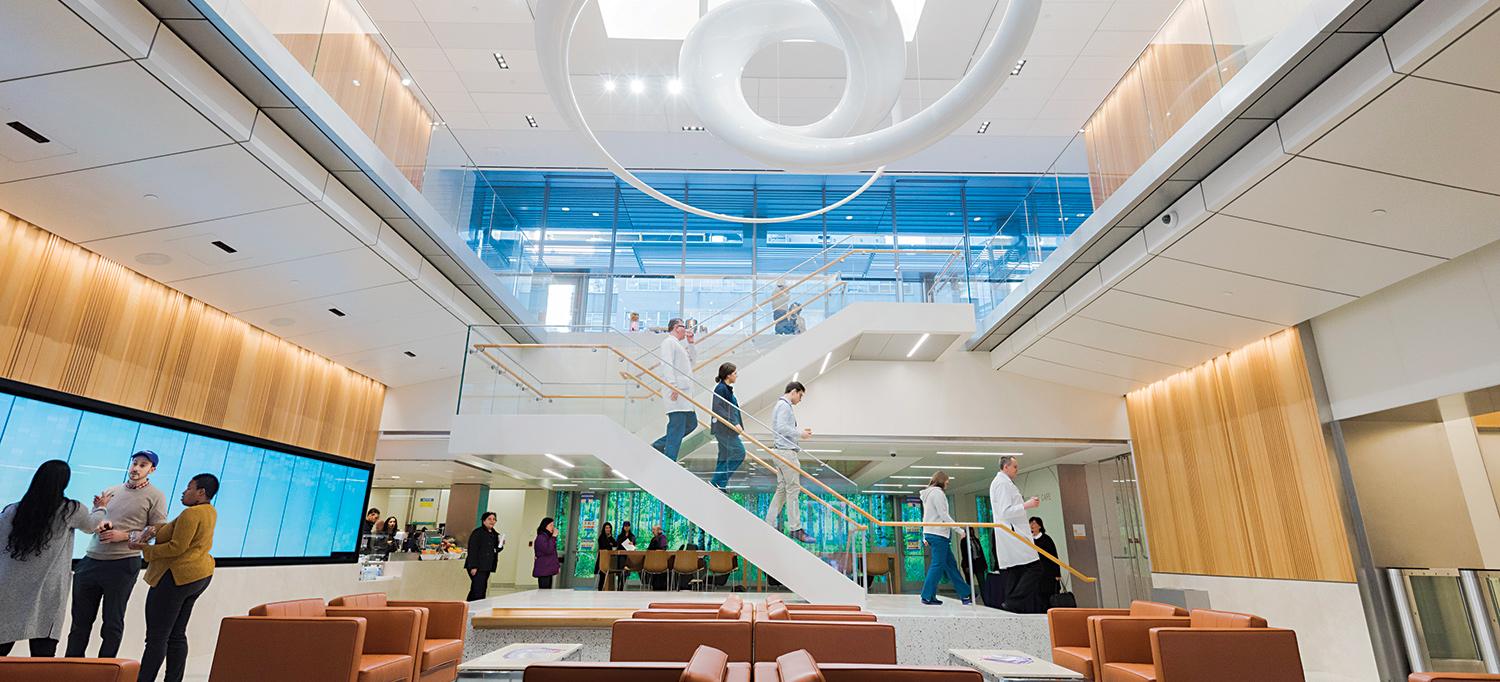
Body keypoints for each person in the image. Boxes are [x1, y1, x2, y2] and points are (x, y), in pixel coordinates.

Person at [0, 461, 109, 658]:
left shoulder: (12, 510)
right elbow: (92, 525)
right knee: (43, 652)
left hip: (9, 586)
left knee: (2, 644)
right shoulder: (70, 510)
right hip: (48, 589)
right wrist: (100, 508)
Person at [67, 450, 167, 659]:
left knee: (112, 624)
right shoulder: (111, 491)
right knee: (79, 624)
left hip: (122, 564)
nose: (136, 468)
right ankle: (72, 668)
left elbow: (157, 530)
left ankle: (106, 671)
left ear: (152, 470)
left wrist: (125, 535)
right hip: (90, 561)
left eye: (143, 465)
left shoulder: (156, 496)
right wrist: (99, 522)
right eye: (134, 463)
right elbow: (91, 523)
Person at [988, 456, 1041, 613]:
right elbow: (1006, 511)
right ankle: (1013, 602)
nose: (1017, 470)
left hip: (1010, 533)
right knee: (1035, 567)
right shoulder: (1002, 484)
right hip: (1013, 533)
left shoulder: (1002, 483)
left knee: (1014, 571)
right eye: (1015, 467)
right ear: (1005, 467)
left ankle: (1011, 606)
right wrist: (1028, 505)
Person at [765, 382, 813, 543]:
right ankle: (795, 528)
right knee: (793, 489)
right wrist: (801, 433)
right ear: (793, 391)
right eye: (800, 395)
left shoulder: (780, 405)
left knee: (783, 489)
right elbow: (782, 428)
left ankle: (769, 522)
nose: (800, 400)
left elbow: (782, 427)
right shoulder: (784, 406)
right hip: (786, 453)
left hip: (779, 451)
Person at [918, 472, 972, 606]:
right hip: (938, 534)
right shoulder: (937, 493)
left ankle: (965, 594)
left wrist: (925, 534)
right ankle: (926, 595)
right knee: (937, 565)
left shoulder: (929, 494)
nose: (948, 483)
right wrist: (959, 530)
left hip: (933, 532)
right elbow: (943, 515)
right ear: (941, 481)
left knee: (950, 565)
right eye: (947, 481)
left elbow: (927, 516)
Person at [650, 318, 697, 461]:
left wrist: (691, 343)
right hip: (676, 392)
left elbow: (692, 361)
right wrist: (672, 386)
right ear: (677, 327)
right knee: (676, 427)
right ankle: (669, 460)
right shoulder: (668, 342)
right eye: (684, 327)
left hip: (684, 393)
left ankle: (658, 445)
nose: (687, 330)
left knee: (691, 424)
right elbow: (666, 364)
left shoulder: (679, 345)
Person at [710, 362, 746, 490]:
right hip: (725, 429)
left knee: (724, 456)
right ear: (728, 375)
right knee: (740, 452)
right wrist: (734, 423)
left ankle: (717, 483)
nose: (737, 376)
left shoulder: (725, 389)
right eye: (735, 373)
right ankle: (720, 481)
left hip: (727, 429)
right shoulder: (721, 388)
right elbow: (718, 408)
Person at [465, 512, 502, 601]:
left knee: (480, 588)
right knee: (478, 589)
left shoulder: (495, 534)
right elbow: (472, 550)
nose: (492, 521)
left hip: (487, 566)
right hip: (478, 566)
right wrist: (473, 566)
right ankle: (473, 608)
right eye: (489, 519)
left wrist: (500, 545)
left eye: (494, 519)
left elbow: (495, 550)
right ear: (484, 521)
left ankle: (470, 607)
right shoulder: (478, 533)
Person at [1028, 517, 1062, 603]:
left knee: (1048, 594)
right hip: (1034, 572)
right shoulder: (1029, 540)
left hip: (1047, 572)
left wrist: (1057, 573)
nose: (1032, 525)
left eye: (1034, 523)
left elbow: (1054, 556)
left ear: (1040, 526)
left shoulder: (1046, 539)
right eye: (1030, 523)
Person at [532, 517, 560, 590]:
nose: (553, 528)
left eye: (553, 525)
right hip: (544, 569)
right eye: (551, 525)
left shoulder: (548, 537)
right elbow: (548, 550)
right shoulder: (541, 537)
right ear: (545, 526)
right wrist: (553, 537)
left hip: (548, 569)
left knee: (547, 591)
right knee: (544, 591)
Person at [595, 521, 622, 591]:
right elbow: (605, 547)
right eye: (606, 528)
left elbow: (615, 544)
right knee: (602, 575)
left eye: (609, 528)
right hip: (602, 559)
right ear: (604, 529)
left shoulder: (610, 537)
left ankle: (609, 589)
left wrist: (610, 539)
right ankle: (600, 589)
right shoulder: (601, 537)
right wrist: (610, 544)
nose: (608, 529)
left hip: (610, 559)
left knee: (609, 575)